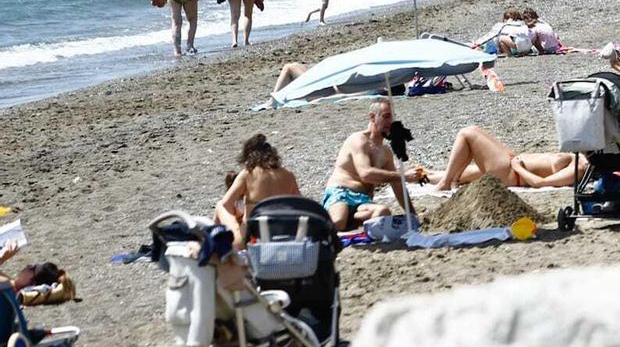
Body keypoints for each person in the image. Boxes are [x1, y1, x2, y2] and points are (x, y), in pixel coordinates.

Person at [321, 99, 409, 230]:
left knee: (382, 212)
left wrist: (411, 213)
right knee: (339, 220)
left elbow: (397, 185)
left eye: (392, 117)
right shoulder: (359, 140)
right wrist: (404, 176)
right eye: (386, 116)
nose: (390, 122)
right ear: (372, 117)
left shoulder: (385, 152)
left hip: (362, 200)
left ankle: (349, 221)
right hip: (341, 191)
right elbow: (366, 174)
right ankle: (333, 221)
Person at [427, 126, 587, 191]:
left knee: (468, 133)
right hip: (510, 163)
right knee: (457, 172)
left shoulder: (579, 170)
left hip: (512, 173)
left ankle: (446, 183)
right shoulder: (579, 157)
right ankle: (423, 176)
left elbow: (541, 183)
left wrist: (518, 168)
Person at [215, 135, 301, 248]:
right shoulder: (288, 175)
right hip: (282, 235)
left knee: (220, 206)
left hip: (251, 239)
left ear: (248, 157)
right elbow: (299, 206)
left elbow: (227, 203)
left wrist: (237, 222)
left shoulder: (247, 174)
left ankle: (214, 244)